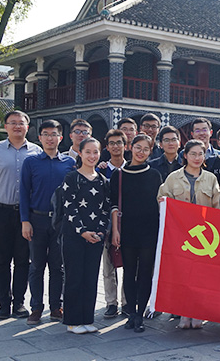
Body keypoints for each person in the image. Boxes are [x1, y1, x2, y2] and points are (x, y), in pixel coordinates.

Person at [0, 110, 42, 319]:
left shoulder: (36, 151)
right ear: (5, 126)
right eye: (12, 122)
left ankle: (19, 303)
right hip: (0, 211)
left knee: (23, 259)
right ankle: (3, 305)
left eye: (21, 123)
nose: (17, 126)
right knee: (2, 259)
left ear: (27, 127)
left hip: (25, 214)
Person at [157, 139, 220, 329]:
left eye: (200, 154)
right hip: (180, 234)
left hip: (204, 236)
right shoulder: (173, 178)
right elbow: (162, 199)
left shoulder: (210, 179)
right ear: (185, 155)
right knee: (183, 275)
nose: (197, 158)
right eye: (193, 154)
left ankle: (198, 312)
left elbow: (216, 206)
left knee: (201, 276)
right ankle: (184, 313)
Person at [20, 120, 76, 325]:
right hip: (37, 219)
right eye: (46, 134)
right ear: (40, 138)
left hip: (60, 222)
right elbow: (24, 192)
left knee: (57, 266)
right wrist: (25, 221)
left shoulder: (69, 163)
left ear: (60, 138)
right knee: (36, 266)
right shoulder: (31, 162)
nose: (50, 138)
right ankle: (36, 307)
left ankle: (55, 306)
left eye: (54, 134)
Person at [111, 134, 163, 333]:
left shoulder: (155, 175)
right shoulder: (118, 175)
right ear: (130, 147)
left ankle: (140, 313)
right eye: (138, 147)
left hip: (149, 230)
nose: (141, 152)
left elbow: (160, 204)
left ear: (151, 151)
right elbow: (114, 204)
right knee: (129, 272)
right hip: (127, 230)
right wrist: (115, 230)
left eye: (146, 149)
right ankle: (131, 313)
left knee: (145, 273)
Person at [60, 138, 111, 334]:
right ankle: (72, 321)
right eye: (88, 152)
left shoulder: (103, 180)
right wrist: (82, 231)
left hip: (95, 237)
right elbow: (69, 207)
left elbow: (106, 209)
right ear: (80, 153)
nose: (92, 156)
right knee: (74, 277)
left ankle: (87, 318)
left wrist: (100, 231)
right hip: (74, 235)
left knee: (91, 278)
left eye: (95, 152)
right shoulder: (71, 178)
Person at [99, 129, 128, 318]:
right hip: (106, 223)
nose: (116, 146)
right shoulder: (100, 170)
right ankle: (111, 302)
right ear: (107, 147)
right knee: (108, 264)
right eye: (112, 143)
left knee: (129, 264)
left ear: (126, 146)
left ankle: (126, 301)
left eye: (119, 143)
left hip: (128, 223)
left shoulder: (131, 168)